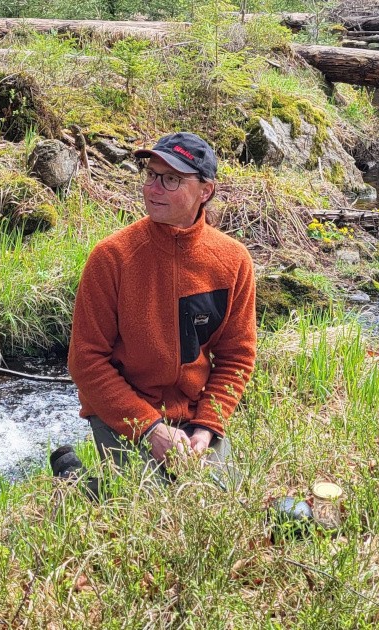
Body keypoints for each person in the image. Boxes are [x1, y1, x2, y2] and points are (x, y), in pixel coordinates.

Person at [63, 131, 257, 480]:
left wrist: (207, 426)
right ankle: (75, 479)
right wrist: (150, 428)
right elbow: (86, 361)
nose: (153, 188)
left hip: (194, 411)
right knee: (143, 511)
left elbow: (237, 356)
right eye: (151, 175)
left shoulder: (233, 261)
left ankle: (76, 476)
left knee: (215, 503)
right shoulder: (112, 258)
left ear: (205, 191)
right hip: (122, 408)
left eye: (171, 179)